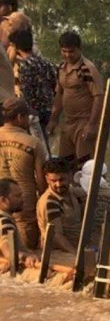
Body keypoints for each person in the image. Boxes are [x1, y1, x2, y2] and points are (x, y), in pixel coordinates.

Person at [47, 31, 104, 165]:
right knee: (65, 163)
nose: (67, 55)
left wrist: (92, 124)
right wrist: (53, 119)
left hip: (84, 121)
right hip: (68, 121)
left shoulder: (87, 68)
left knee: (86, 164)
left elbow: (98, 96)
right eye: (64, 51)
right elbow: (59, 94)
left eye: (71, 51)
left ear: (79, 49)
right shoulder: (61, 67)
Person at [0, 97, 46, 248]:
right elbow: (41, 179)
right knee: (27, 250)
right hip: (23, 202)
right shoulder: (33, 143)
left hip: (2, 200)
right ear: (20, 117)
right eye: (27, 117)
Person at [8, 29, 57, 135]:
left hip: (31, 115)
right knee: (43, 147)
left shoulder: (23, 66)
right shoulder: (45, 63)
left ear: (16, 47)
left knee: (33, 146)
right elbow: (55, 85)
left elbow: (25, 93)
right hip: (47, 111)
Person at [36, 157, 83, 254]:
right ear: (47, 179)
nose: (58, 184)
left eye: (62, 179)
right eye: (53, 181)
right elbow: (55, 235)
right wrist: (75, 253)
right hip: (59, 252)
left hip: (77, 246)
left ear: (70, 175)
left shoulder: (73, 192)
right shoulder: (49, 202)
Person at [0, 178, 39, 269]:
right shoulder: (5, 222)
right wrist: (27, 257)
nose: (22, 199)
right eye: (17, 196)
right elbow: (9, 252)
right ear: (4, 200)